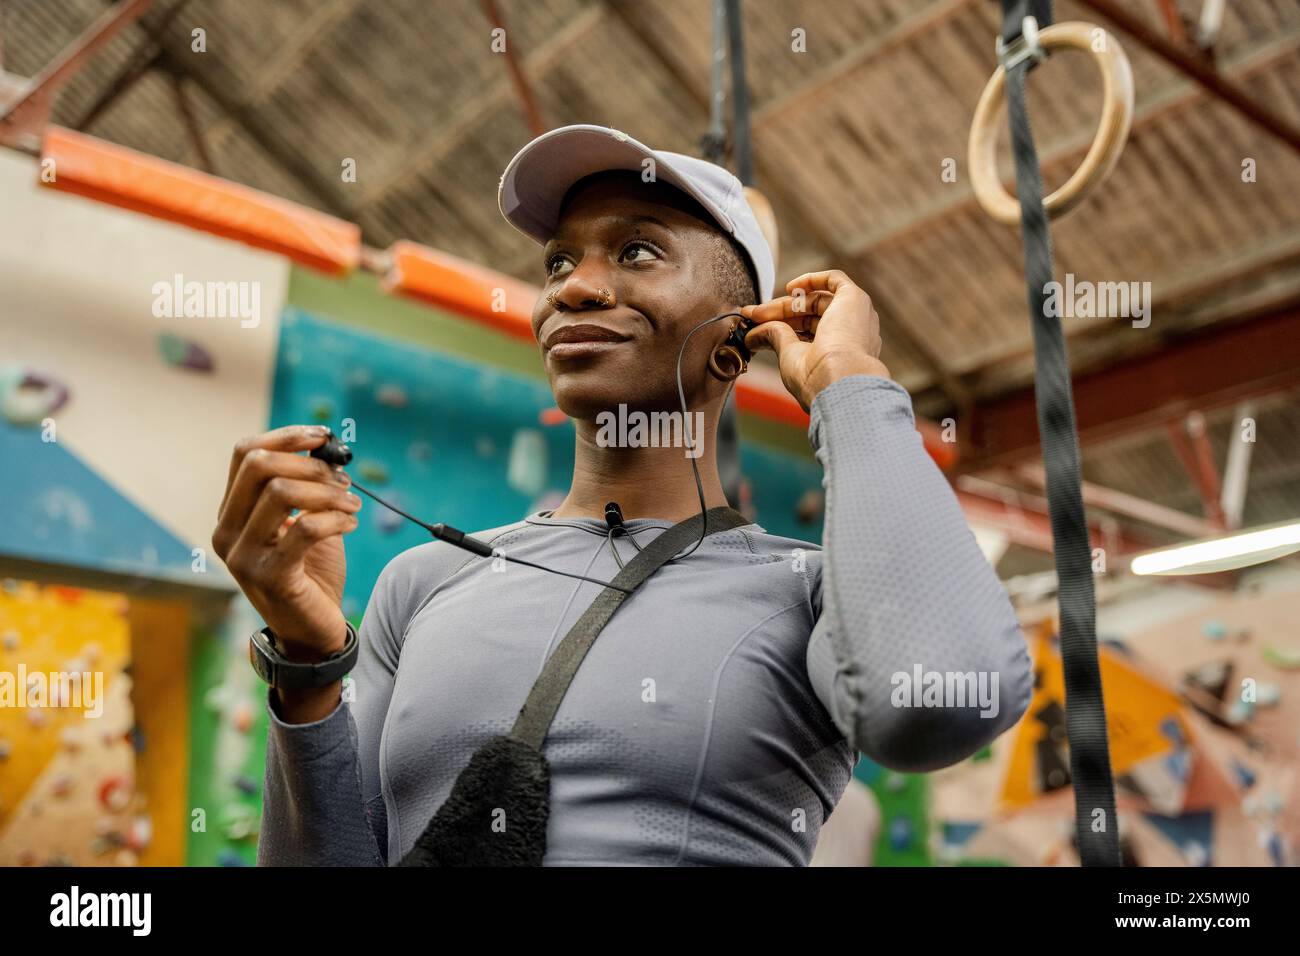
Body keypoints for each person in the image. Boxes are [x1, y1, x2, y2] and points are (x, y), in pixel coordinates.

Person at [212, 124, 1033, 866]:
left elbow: (938, 705)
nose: (573, 288)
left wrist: (850, 385)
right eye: (559, 262)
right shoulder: (422, 585)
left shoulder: (809, 594)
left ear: (739, 337)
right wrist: (309, 665)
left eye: (637, 251)